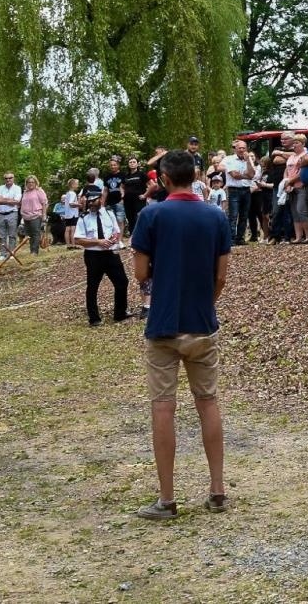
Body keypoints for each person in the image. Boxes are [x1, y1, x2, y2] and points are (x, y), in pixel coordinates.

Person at [129, 149, 231, 520]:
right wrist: (206, 302)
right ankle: (217, 489)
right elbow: (221, 277)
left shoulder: (151, 215)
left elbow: (141, 275)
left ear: (165, 179)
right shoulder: (216, 215)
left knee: (163, 407)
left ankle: (168, 497)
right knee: (208, 401)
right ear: (195, 176)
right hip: (202, 322)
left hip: (164, 324)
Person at [75, 187, 128, 327]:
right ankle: (94, 318)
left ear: (101, 200)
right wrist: (98, 242)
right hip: (93, 255)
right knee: (92, 287)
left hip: (110, 253)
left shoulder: (109, 213)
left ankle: (120, 313)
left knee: (122, 282)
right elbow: (78, 240)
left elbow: (116, 231)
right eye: (89, 202)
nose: (91, 204)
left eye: (94, 201)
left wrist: (113, 239)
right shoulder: (83, 218)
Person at [220, 142, 255, 245]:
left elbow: (252, 175)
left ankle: (240, 238)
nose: (242, 150)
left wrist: (248, 161)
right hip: (234, 190)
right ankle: (230, 239)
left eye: (244, 148)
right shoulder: (229, 159)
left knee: (244, 215)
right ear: (235, 149)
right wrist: (246, 175)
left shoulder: (248, 159)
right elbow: (234, 175)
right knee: (233, 215)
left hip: (246, 189)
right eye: (239, 148)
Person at [0, 171, 21, 258]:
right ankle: (2, 254)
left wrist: (2, 200)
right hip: (0, 214)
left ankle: (11, 253)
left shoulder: (17, 188)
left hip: (12, 213)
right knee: (1, 235)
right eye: (6, 178)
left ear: (13, 178)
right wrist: (10, 200)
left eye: (10, 178)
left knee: (12, 235)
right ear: (4, 179)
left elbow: (16, 202)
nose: (8, 180)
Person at [18, 175, 47, 255]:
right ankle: (32, 250)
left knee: (35, 233)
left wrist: (44, 215)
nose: (30, 184)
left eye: (32, 182)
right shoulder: (25, 192)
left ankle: (35, 251)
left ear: (35, 183)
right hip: (26, 216)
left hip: (36, 215)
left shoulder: (39, 191)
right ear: (26, 183)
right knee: (29, 234)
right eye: (29, 182)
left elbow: (44, 203)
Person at [122, 157, 150, 233]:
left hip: (139, 201)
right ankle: (132, 238)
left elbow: (152, 185)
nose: (132, 163)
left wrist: (145, 195)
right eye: (130, 162)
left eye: (134, 162)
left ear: (137, 164)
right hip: (127, 201)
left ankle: (140, 237)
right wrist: (122, 194)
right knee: (130, 219)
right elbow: (121, 186)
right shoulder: (126, 176)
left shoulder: (142, 174)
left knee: (138, 218)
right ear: (128, 164)